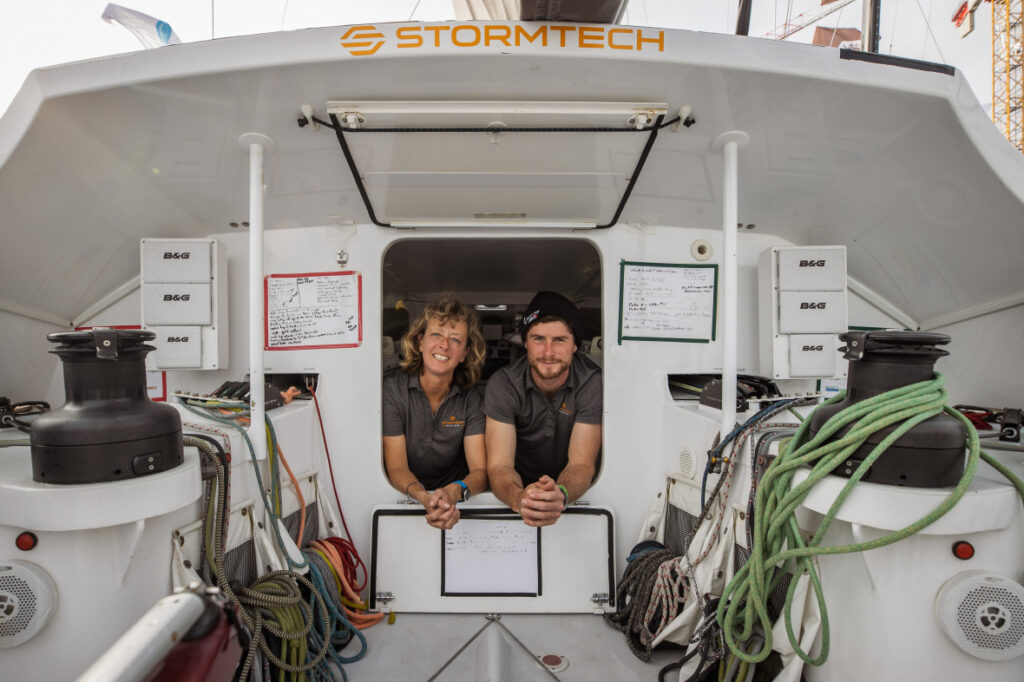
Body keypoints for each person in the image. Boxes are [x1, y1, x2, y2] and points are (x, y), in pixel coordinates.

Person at [484, 291, 602, 527]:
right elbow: (500, 465)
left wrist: (560, 494)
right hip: (516, 492)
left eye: (559, 340)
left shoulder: (592, 382)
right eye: (538, 339)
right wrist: (520, 498)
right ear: (525, 342)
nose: (548, 352)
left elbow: (581, 464)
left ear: (575, 345)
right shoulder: (504, 384)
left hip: (575, 494)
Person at [382, 295, 488, 529]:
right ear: (420, 342)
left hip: (456, 501)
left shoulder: (471, 400)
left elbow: (480, 472)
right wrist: (424, 497)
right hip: (407, 494)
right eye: (436, 334)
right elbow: (397, 468)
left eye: (456, 339)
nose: (444, 345)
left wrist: (454, 492)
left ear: (465, 353)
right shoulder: (393, 391)